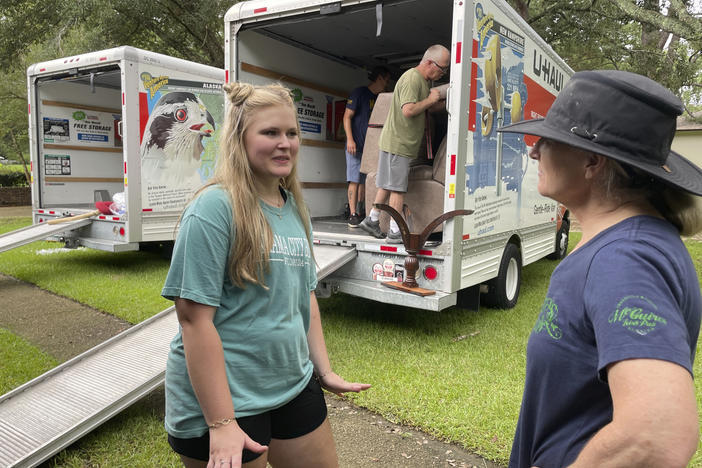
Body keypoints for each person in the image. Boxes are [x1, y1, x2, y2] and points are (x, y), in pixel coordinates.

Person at [498, 70, 702, 468]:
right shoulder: (630, 242)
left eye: (549, 140)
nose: (533, 151)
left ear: (591, 161)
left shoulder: (624, 259)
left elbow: (656, 437)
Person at [162, 82, 371, 468]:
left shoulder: (294, 208)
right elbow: (193, 321)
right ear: (239, 139)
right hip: (226, 401)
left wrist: (323, 370)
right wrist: (222, 422)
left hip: (292, 383)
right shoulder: (213, 208)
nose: (285, 143)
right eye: (270, 132)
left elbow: (304, 297)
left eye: (291, 133)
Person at [359, 44, 450, 242]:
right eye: (442, 68)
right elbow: (408, 110)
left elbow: (423, 107)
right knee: (398, 188)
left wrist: (436, 100)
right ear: (428, 63)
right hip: (398, 143)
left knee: (386, 183)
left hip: (396, 142)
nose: (442, 73)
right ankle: (395, 231)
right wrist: (432, 98)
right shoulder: (412, 78)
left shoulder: (423, 82)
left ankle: (372, 220)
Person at [343, 66, 391, 228]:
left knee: (366, 180)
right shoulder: (360, 92)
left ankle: (363, 211)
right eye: (386, 79)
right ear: (379, 78)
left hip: (369, 147)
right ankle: (352, 214)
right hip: (355, 145)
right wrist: (350, 140)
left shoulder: (378, 98)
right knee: (354, 179)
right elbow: (346, 117)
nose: (387, 83)